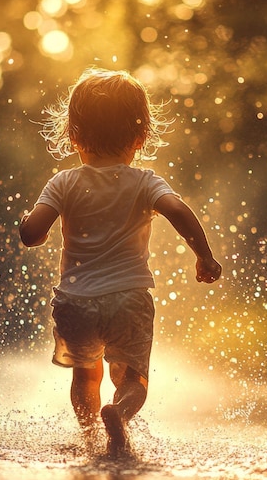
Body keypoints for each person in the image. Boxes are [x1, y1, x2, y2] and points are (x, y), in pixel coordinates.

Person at [19, 67, 222, 457]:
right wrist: (204, 255)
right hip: (127, 299)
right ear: (140, 136)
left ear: (73, 134)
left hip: (75, 302)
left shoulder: (62, 183)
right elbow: (177, 210)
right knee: (133, 378)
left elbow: (32, 234)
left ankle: (91, 436)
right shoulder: (145, 182)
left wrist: (29, 225)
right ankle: (121, 413)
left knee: (86, 374)